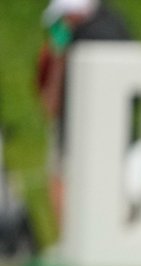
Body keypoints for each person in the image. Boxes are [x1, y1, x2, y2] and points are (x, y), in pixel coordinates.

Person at [35, 0, 133, 235]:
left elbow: (52, 100)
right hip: (102, 131)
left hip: (81, 132)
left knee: (70, 185)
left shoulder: (84, 39)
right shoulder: (115, 27)